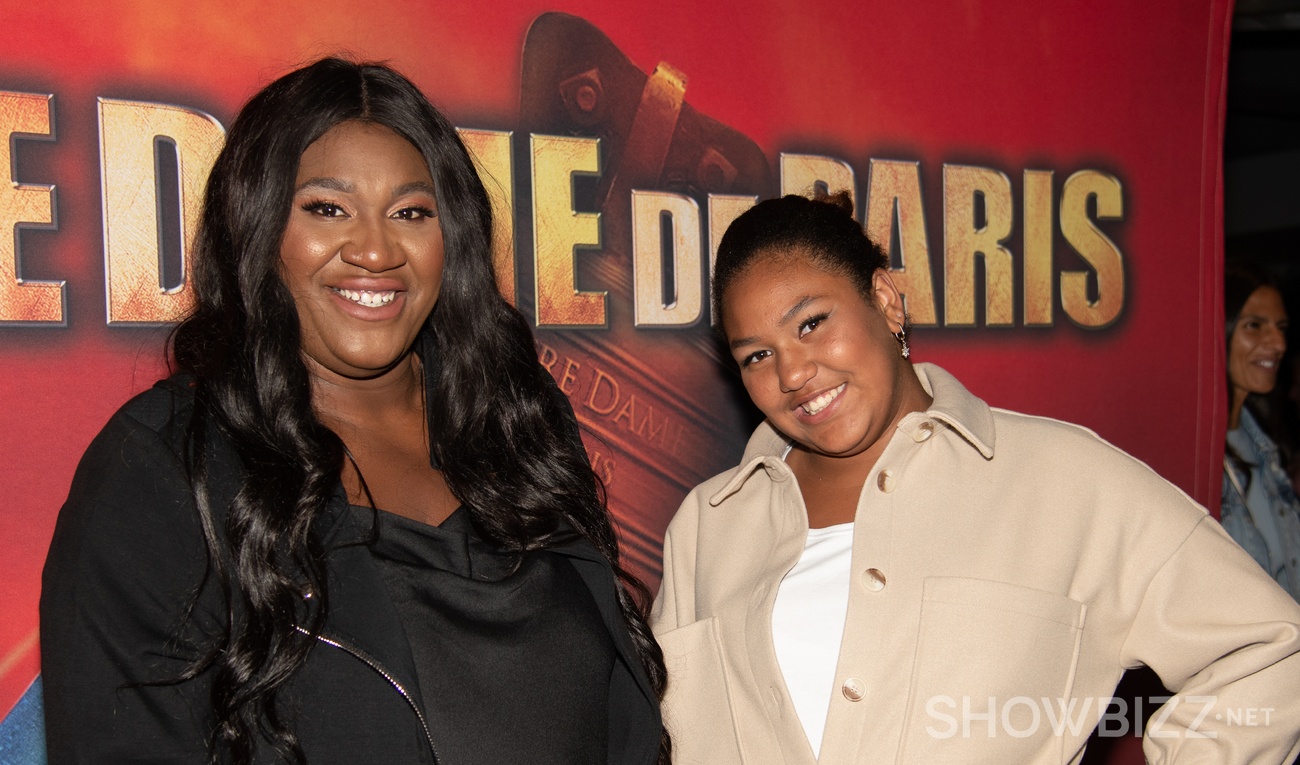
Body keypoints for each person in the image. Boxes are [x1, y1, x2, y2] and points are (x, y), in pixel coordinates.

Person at [40, 58, 666, 765]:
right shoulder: (162, 465)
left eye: (411, 212)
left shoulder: (517, 423)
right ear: (258, 226)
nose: (374, 249)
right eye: (326, 208)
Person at [652, 191, 1300, 764]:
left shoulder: (1064, 480)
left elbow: (1274, 650)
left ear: (884, 299)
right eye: (758, 355)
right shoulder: (708, 525)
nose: (791, 373)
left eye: (811, 323)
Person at [1221, 262, 1300, 602]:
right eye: (1255, 326)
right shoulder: (1192, 455)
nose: (1279, 342)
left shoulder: (1266, 443)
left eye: (1281, 327)